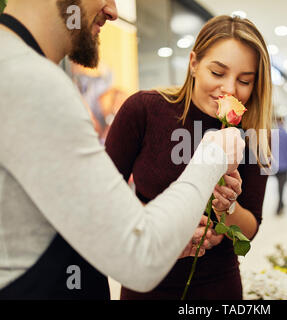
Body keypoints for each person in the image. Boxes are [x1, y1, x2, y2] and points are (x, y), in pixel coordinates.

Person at [0, 0, 245, 299]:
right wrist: (212, 156)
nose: (114, 10)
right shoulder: (31, 82)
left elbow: (90, 228)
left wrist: (167, 231)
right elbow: (142, 257)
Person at [105, 15, 273, 300]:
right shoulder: (143, 110)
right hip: (149, 284)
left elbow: (251, 229)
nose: (230, 90)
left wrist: (228, 207)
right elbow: (102, 198)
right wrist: (154, 222)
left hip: (219, 285)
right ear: (194, 63)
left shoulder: (253, 133)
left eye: (244, 80)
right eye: (218, 73)